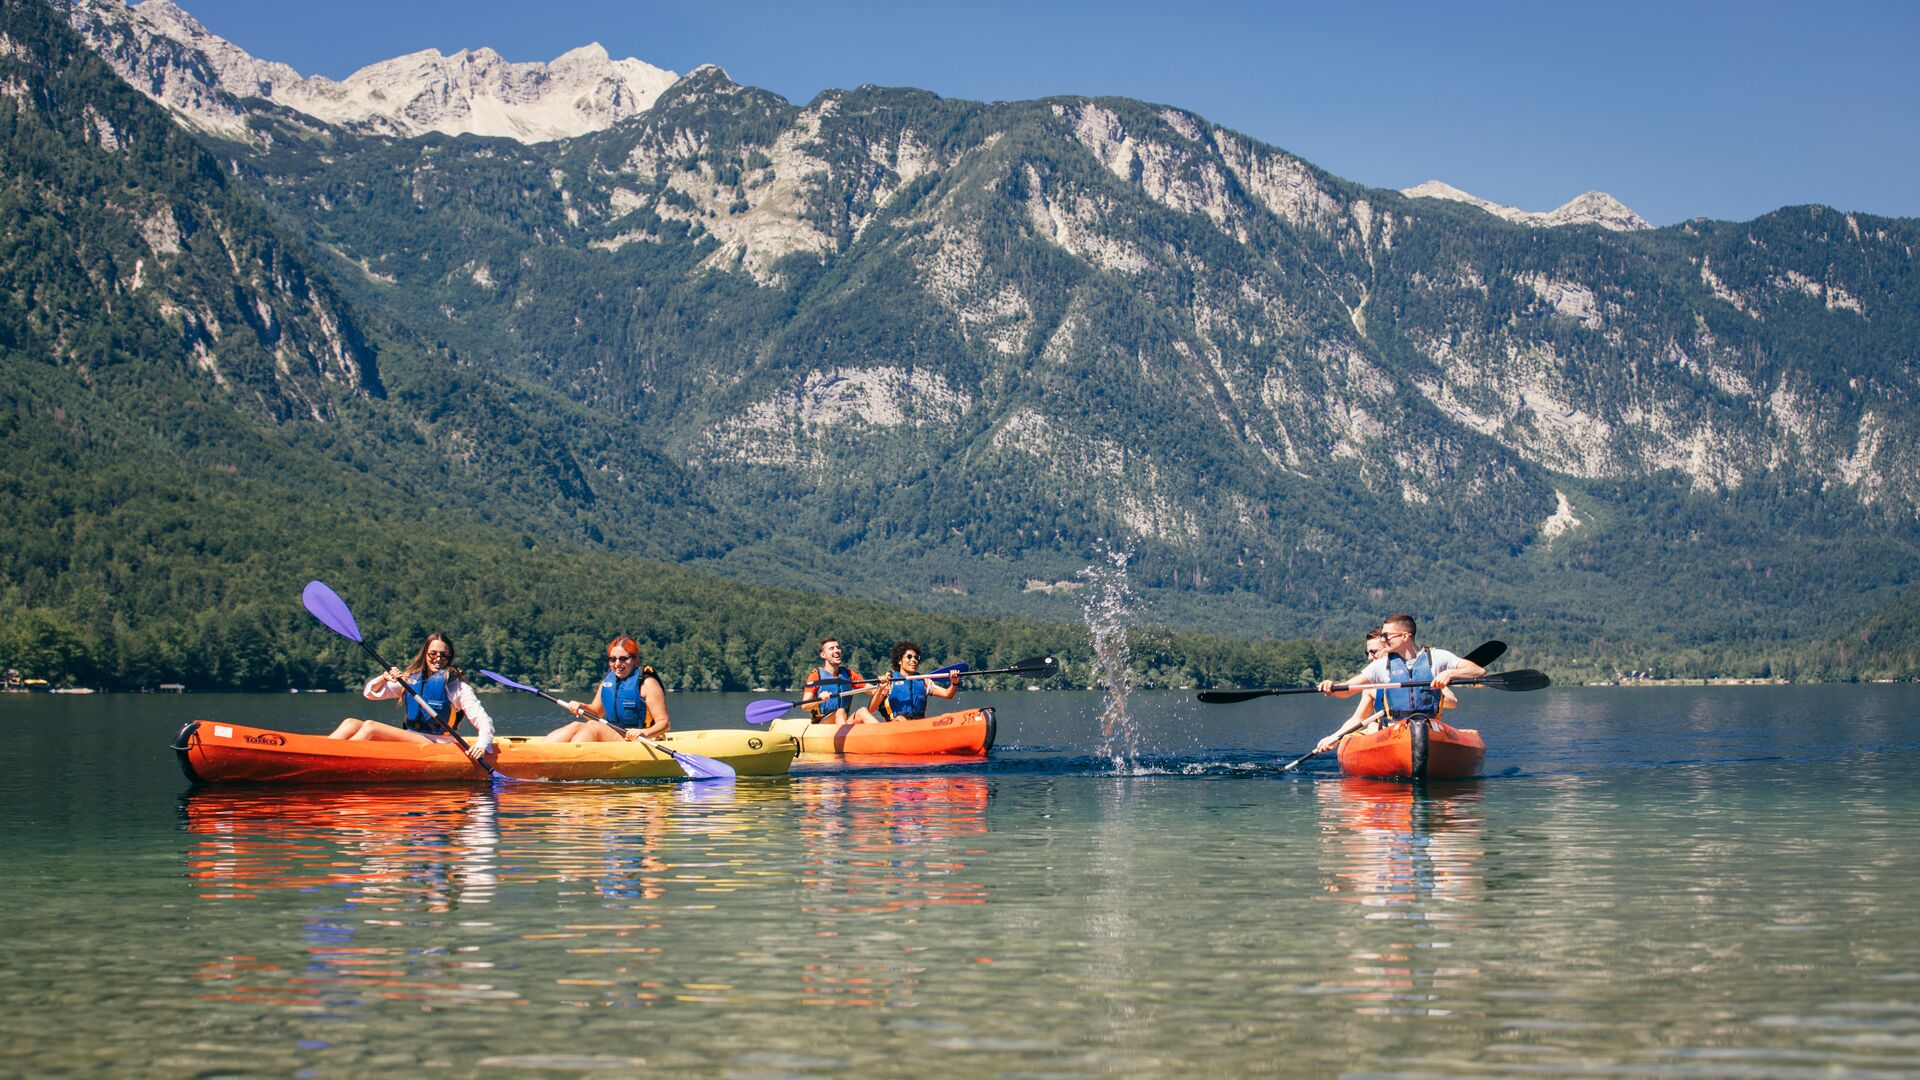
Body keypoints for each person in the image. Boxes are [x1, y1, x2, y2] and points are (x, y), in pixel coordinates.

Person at [329, 632, 495, 760]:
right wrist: (383, 677)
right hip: (411, 738)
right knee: (350, 723)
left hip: (436, 744)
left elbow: (484, 720)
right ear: (425, 654)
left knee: (371, 726)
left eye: (443, 655)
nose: (438, 659)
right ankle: (321, 752)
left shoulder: (457, 686)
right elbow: (370, 694)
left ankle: (336, 759)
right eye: (433, 654)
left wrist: (481, 745)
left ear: (448, 657)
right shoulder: (410, 679)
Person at [1317, 614, 1483, 730]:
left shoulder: (1437, 657)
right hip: (1395, 729)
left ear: (1405, 636)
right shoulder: (1381, 666)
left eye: (1386, 636)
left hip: (1429, 726)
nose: (1383, 640)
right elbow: (1347, 689)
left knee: (1420, 729)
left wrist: (1449, 674)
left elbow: (1477, 670)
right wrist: (1332, 687)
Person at [543, 636, 670, 742]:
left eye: (623, 659)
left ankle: (570, 759)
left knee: (593, 726)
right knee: (576, 726)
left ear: (635, 659)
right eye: (612, 659)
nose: (617, 664)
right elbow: (596, 712)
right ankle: (542, 750)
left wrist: (644, 733)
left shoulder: (648, 684)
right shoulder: (607, 682)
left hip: (638, 740)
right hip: (614, 734)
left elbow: (664, 723)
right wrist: (581, 706)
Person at [1313, 629, 1390, 754]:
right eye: (1367, 653)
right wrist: (1335, 738)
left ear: (1389, 647)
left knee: (1373, 727)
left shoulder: (1413, 670)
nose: (1370, 657)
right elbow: (1357, 718)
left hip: (1411, 730)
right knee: (1372, 727)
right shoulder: (1370, 686)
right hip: (1385, 734)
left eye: (1374, 652)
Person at [852, 641, 959, 723]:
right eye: (909, 657)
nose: (913, 660)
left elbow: (947, 694)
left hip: (918, 726)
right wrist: (880, 688)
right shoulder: (890, 679)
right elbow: (871, 709)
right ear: (899, 660)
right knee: (900, 719)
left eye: (916, 657)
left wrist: (954, 683)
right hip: (895, 726)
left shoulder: (924, 681)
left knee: (946, 716)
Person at [802, 637, 864, 725]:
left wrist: (883, 684)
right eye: (831, 648)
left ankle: (884, 735)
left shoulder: (849, 674)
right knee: (840, 711)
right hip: (822, 725)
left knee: (863, 711)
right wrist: (820, 699)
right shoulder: (816, 676)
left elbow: (873, 689)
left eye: (838, 647)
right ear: (823, 655)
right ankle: (845, 737)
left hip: (842, 721)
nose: (837, 650)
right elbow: (805, 706)